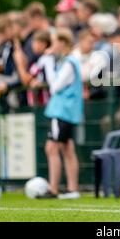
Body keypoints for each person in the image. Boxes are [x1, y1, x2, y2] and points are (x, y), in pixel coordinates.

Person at [40, 29, 83, 199]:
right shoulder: (67, 61)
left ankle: (54, 189)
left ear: (62, 43)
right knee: (67, 148)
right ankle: (72, 189)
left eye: (54, 42)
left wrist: (48, 63)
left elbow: (55, 86)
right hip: (67, 111)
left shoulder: (68, 63)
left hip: (63, 111)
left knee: (52, 148)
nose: (52, 47)